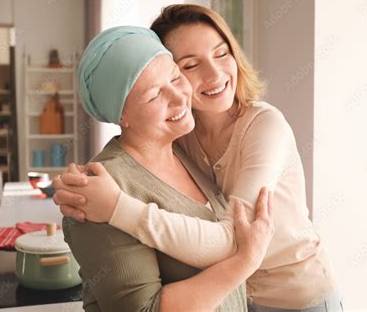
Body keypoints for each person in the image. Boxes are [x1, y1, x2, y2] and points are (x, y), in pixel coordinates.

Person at [54, 4, 343, 312]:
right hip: (247, 296)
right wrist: (74, 185)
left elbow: (233, 238)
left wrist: (117, 208)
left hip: (297, 295)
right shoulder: (182, 136)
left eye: (221, 54)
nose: (214, 74)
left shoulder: (262, 126)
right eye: (189, 67)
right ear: (119, 114)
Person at [60, 25, 274, 312]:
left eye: (175, 77)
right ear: (120, 114)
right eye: (154, 95)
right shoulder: (99, 191)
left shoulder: (184, 151)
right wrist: (245, 261)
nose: (178, 97)